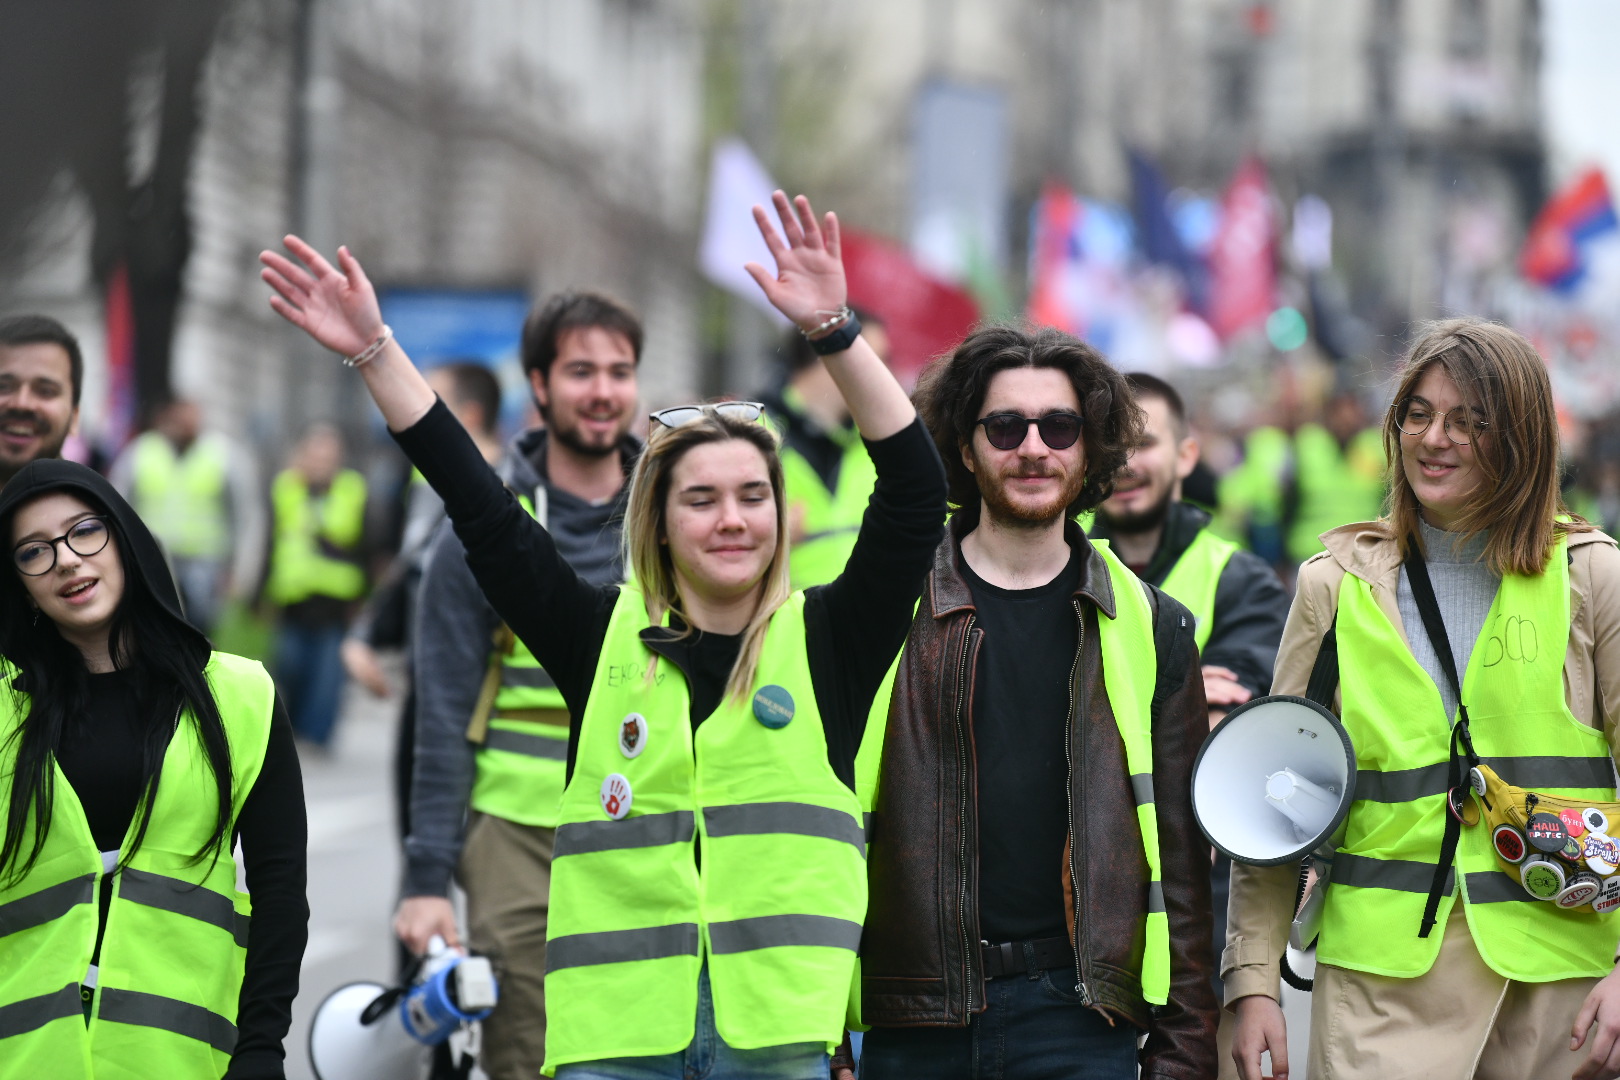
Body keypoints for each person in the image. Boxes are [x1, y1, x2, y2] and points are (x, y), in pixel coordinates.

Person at [260, 190, 946, 1079]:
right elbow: (482, 510)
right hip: (614, 1041)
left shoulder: (830, 643)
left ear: (782, 514)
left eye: (752, 497)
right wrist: (374, 352)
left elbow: (914, 498)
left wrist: (834, 331)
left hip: (777, 1036)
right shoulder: (598, 637)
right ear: (656, 522)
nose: (731, 520)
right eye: (700, 499)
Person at [1226, 318, 1620, 1080]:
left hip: (1558, 985)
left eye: (1470, 421)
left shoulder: (1592, 577)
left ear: (1524, 437)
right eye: (1419, 414)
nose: (1434, 438)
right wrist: (1252, 982)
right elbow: (1273, 800)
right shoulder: (1331, 586)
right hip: (1379, 988)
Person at [847, 326, 1219, 1080]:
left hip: (1081, 1017)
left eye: (1060, 427)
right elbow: (820, 825)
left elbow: (1180, 859)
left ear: (1089, 451)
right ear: (964, 445)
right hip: (912, 1017)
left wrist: (1184, 1049)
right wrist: (822, 1037)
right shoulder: (885, 608)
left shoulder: (1152, 623)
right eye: (1005, 427)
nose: (1033, 448)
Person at [395, 298, 644, 1080]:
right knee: (529, 1055)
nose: (602, 391)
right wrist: (426, 878)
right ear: (537, 383)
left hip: (652, 824)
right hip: (515, 833)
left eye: (619, 371)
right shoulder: (480, 529)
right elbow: (438, 718)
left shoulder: (678, 512)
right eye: (580, 371)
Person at [0, 459, 308, 1079]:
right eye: (34, 551)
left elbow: (280, 893)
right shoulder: (5, 708)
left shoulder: (241, 696)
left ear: (125, 539)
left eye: (84, 532)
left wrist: (261, 1048)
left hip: (184, 1060)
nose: (65, 559)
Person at [1089, 372, 1288, 1075]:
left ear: (1186, 454)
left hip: (1208, 911)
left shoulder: (1243, 582)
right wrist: (1177, 692)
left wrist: (1100, 701)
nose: (1127, 462)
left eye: (1145, 442)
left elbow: (1229, 729)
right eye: (1112, 443)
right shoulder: (1055, 571)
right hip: (1086, 916)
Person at [111, 397, 265, 634]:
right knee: (153, 629)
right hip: (152, 558)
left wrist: (241, 571)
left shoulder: (224, 454)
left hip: (206, 565)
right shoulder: (140, 452)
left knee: (198, 632)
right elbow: (116, 505)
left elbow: (246, 515)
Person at [763, 307, 890, 587]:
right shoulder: (751, 437)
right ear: (828, 355)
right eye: (874, 360)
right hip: (786, 627)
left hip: (887, 627)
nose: (887, 376)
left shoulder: (889, 443)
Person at [263, 423, 369, 750]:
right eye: (314, 453)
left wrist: (364, 597)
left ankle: (316, 737)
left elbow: (368, 545)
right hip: (293, 600)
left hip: (336, 603)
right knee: (291, 668)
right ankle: (293, 727)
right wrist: (260, 594)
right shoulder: (287, 488)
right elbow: (272, 542)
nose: (320, 461)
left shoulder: (353, 490)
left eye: (327, 454)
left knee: (326, 678)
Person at [0, 314, 81, 488]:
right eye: (3, 387)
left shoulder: (99, 512)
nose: (22, 404)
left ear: (74, 418)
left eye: (46, 391)